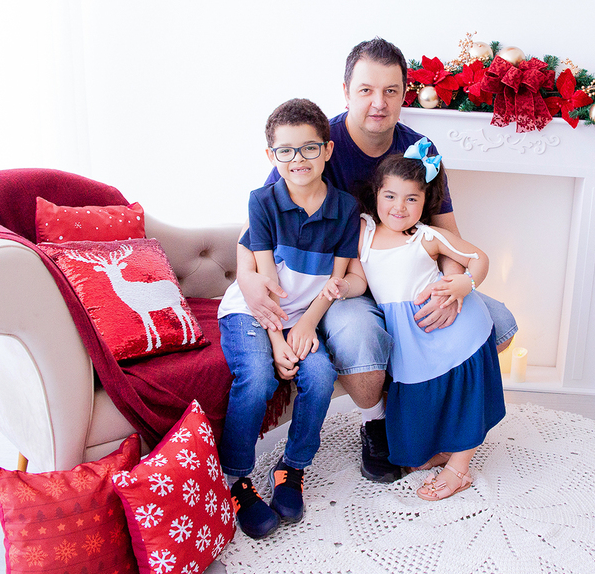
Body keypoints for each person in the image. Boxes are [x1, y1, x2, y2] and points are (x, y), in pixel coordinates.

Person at [234, 38, 517, 483]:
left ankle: (440, 424)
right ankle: (378, 422)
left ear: (405, 93)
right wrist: (249, 280)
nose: (378, 103)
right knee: (365, 336)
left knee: (496, 323)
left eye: (390, 90)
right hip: (342, 283)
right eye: (366, 90)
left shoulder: (420, 149)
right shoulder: (315, 146)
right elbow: (259, 228)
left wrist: (447, 289)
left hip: (410, 274)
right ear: (346, 90)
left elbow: (448, 234)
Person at [215, 98, 364, 538]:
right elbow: (264, 280)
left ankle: (291, 468)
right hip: (255, 311)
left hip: (304, 316)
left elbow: (335, 283)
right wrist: (279, 340)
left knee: (318, 377)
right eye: (286, 150)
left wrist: (303, 328)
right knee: (259, 376)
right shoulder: (262, 201)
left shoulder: (345, 208)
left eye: (309, 148)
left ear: (328, 151)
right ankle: (237, 478)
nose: (298, 160)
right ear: (271, 156)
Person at [355, 146, 506, 500]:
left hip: (455, 332)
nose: (399, 207)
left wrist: (465, 284)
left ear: (425, 202)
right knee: (410, 452)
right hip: (410, 343)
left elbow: (478, 257)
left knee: (465, 396)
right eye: (390, 195)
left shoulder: (426, 236)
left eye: (412, 199)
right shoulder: (364, 230)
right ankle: (444, 452)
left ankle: (459, 469)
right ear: (376, 194)